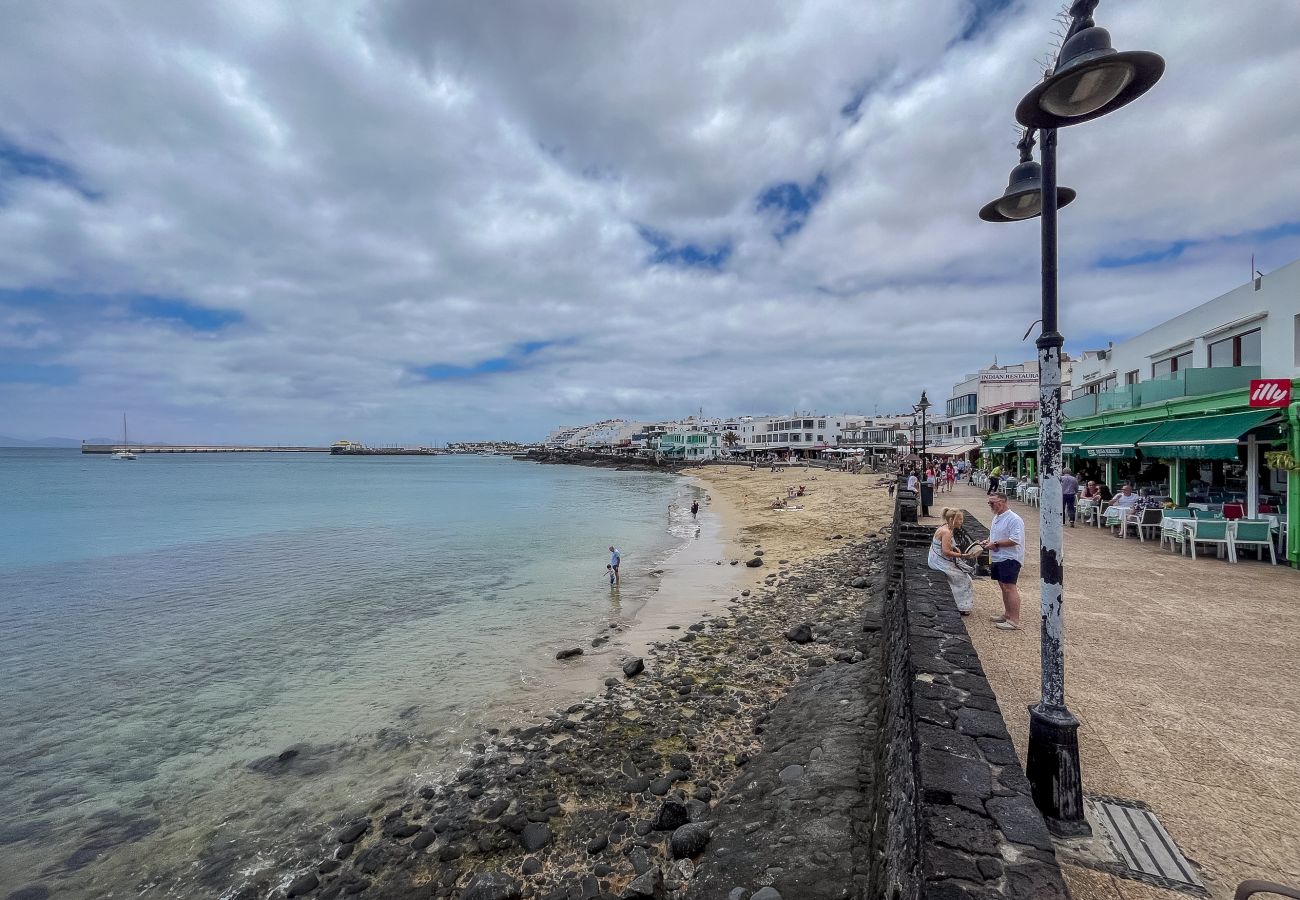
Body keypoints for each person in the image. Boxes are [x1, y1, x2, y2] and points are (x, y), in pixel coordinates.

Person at [981, 494, 1024, 630]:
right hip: (998, 557)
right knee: (1003, 587)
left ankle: (1014, 620)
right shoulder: (997, 517)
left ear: (1002, 502)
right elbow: (995, 534)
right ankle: (1007, 614)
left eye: (992, 503)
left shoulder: (1014, 519)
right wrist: (989, 541)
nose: (990, 506)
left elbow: (1015, 539)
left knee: (1010, 587)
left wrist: (996, 543)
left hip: (1010, 557)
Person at [928, 507, 975, 615]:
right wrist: (963, 555)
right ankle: (962, 606)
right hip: (938, 561)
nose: (961, 522)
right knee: (963, 578)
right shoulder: (946, 532)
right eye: (960, 519)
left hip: (936, 558)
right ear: (952, 520)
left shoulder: (946, 528)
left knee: (963, 576)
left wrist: (955, 550)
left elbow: (947, 547)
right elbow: (946, 552)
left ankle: (959, 603)